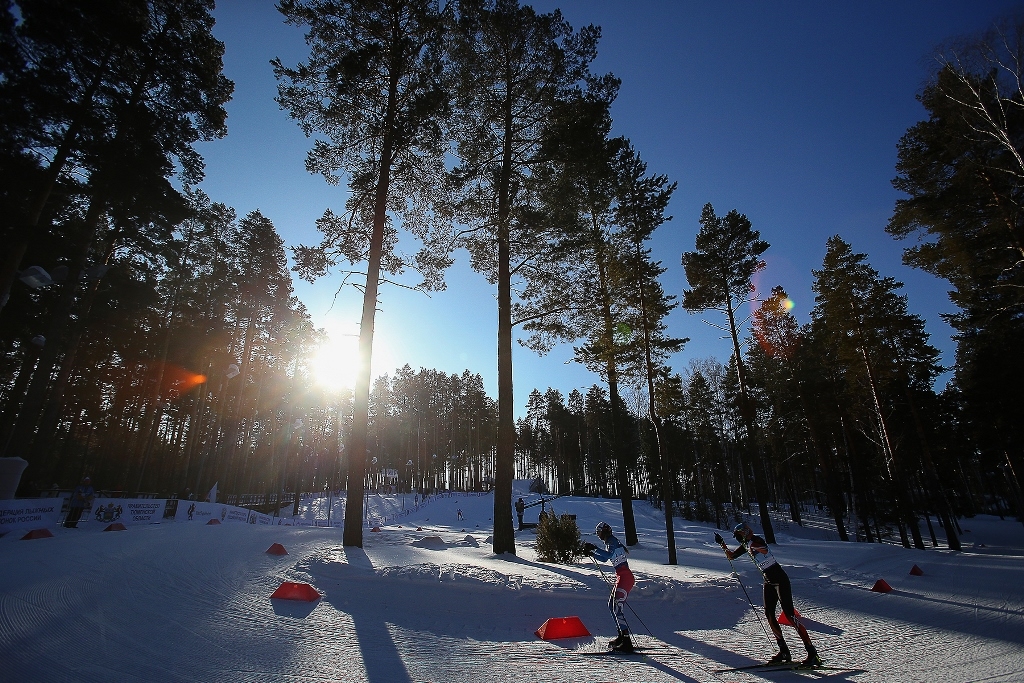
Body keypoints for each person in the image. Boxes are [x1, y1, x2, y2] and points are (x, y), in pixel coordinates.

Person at [715, 523, 821, 666]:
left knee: (789, 615)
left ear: (745, 533)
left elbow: (763, 549)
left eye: (739, 536)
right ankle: (784, 651)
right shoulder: (747, 544)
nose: (738, 540)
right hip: (768, 581)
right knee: (769, 615)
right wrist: (722, 544)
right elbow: (732, 556)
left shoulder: (756, 541)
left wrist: (750, 546)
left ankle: (812, 652)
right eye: (737, 538)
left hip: (780, 579)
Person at [583, 521, 636, 653]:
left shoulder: (612, 541)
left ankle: (626, 640)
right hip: (621, 576)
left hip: (625, 577)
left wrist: (594, 548)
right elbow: (605, 559)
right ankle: (621, 637)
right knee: (611, 605)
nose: (598, 535)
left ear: (604, 531)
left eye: (598, 533)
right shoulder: (610, 542)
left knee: (617, 608)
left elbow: (607, 556)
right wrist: (592, 554)